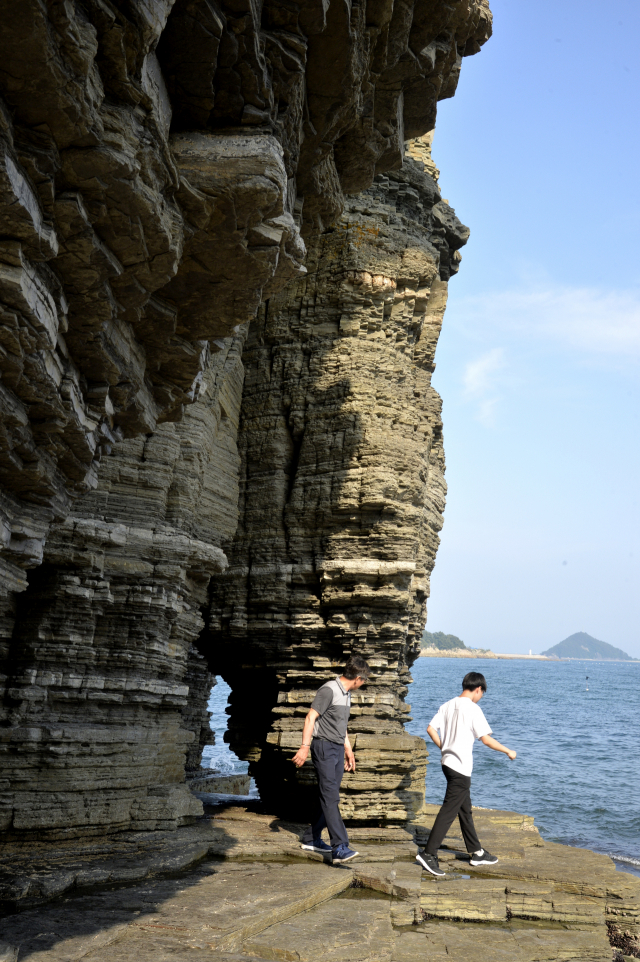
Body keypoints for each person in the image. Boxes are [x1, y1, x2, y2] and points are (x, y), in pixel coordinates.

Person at [417, 670, 517, 877]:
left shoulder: (447, 705)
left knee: (464, 809)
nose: (480, 698)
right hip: (460, 768)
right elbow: (486, 739)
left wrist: (444, 747)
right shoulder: (472, 709)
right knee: (449, 810)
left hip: (447, 763)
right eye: (482, 694)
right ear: (478, 689)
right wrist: (508, 750)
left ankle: (476, 852)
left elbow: (430, 729)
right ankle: (428, 854)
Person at [292, 656, 371, 863]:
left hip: (336, 748)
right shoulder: (329, 690)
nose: (363, 684)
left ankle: (311, 838)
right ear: (358, 678)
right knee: (331, 797)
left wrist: (349, 750)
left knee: (328, 794)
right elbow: (310, 717)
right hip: (323, 747)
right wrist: (304, 747)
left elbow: (341, 725)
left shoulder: (346, 694)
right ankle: (339, 846)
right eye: (365, 681)